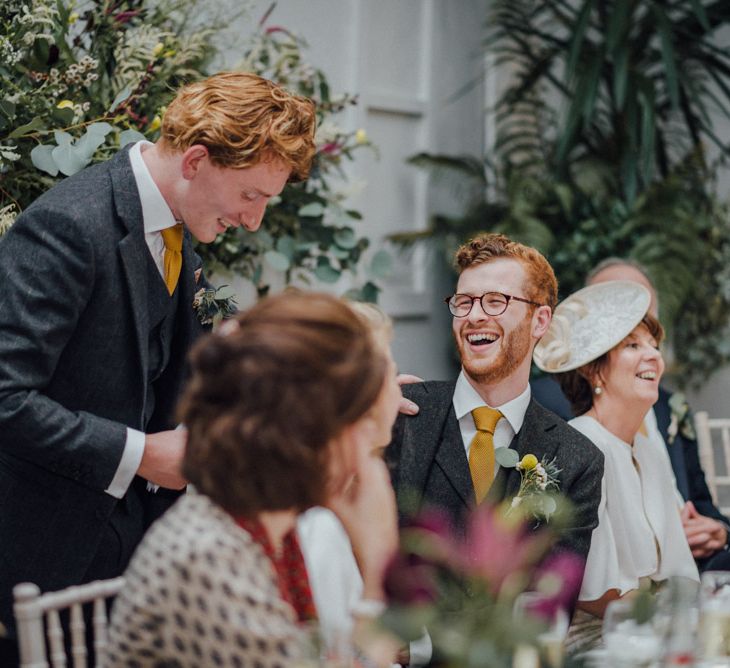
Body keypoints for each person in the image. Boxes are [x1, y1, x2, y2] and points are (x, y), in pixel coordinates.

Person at [0, 71, 316, 662]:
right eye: (251, 196)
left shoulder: (179, 233)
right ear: (197, 159)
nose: (254, 221)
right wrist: (140, 455)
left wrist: (330, 393)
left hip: (137, 552)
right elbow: (6, 396)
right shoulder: (69, 226)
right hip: (45, 559)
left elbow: (176, 373)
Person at [107, 291, 402, 666]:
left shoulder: (270, 526)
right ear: (320, 430)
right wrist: (379, 573)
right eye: (363, 419)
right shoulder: (210, 561)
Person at [385, 232, 604, 561]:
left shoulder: (576, 458)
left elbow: (553, 597)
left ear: (539, 320)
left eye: (495, 301)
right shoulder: (397, 413)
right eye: (464, 302)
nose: (474, 316)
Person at [533, 280, 700, 653]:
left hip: (654, 630)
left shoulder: (647, 451)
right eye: (633, 345)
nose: (654, 356)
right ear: (594, 371)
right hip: (595, 644)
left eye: (654, 347)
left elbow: (679, 576)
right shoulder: (577, 446)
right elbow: (591, 593)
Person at [532, 258, 730, 571]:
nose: (652, 354)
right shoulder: (552, 410)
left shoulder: (669, 408)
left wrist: (718, 531)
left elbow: (702, 502)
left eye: (652, 340)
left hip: (695, 563)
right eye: (631, 341)